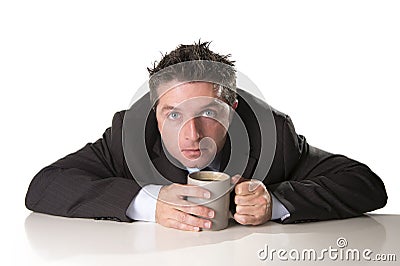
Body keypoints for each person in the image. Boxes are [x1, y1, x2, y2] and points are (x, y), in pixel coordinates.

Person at [25, 41, 387, 232]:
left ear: (233, 108)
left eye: (209, 113)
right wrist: (150, 205)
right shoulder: (128, 135)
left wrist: (274, 202)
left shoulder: (271, 135)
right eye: (173, 114)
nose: (192, 134)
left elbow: (365, 184)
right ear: (155, 113)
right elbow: (44, 186)